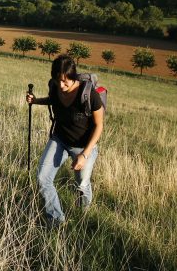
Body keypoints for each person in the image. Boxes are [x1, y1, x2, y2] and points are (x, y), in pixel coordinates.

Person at [26, 54, 104, 225]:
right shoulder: (55, 87)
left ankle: (83, 214)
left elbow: (99, 126)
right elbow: (53, 100)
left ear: (73, 76)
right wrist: (36, 100)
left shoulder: (89, 94)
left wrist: (85, 155)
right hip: (59, 139)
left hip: (83, 146)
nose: (61, 85)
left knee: (82, 185)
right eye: (58, 80)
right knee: (42, 178)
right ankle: (56, 220)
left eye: (65, 81)